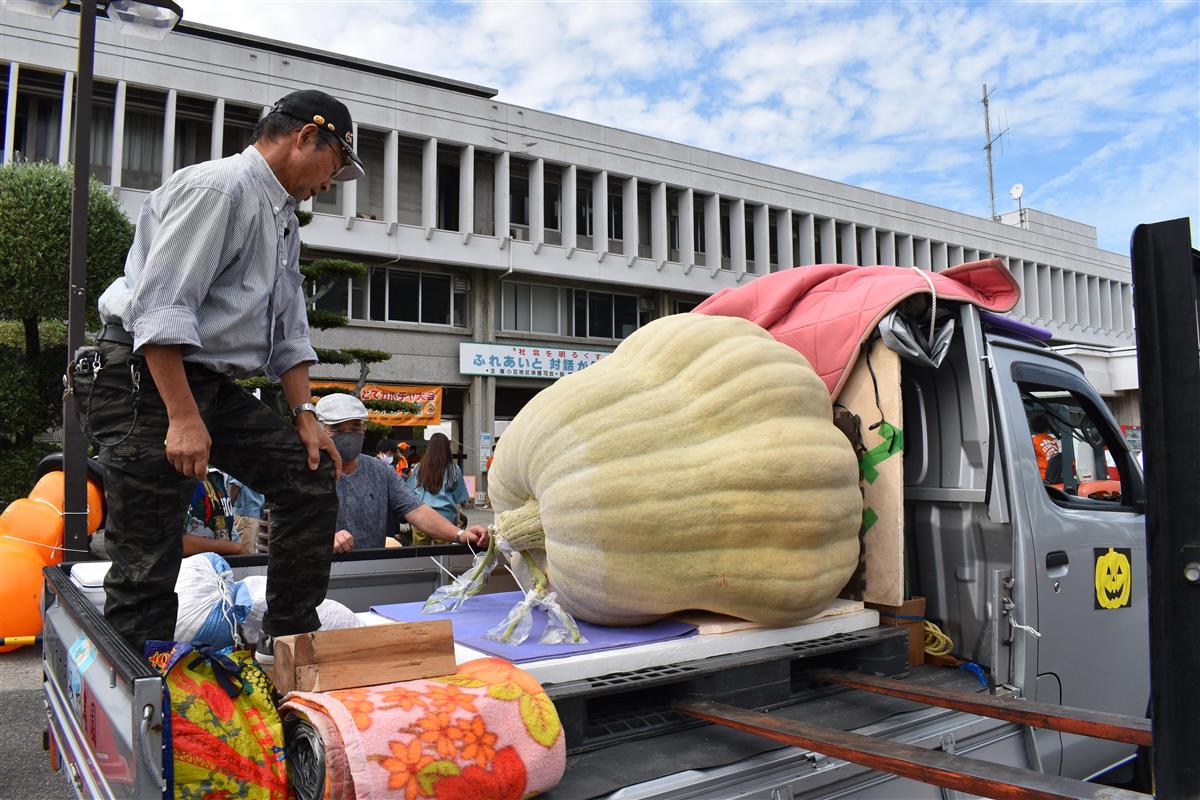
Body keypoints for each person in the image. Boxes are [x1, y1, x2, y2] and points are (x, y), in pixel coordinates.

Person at [86, 88, 365, 662]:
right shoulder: (220, 188)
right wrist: (183, 418)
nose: (329, 184)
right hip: (146, 377)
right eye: (333, 165)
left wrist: (305, 416)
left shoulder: (282, 217)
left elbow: (289, 331)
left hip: (208, 381)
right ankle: (148, 705)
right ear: (305, 136)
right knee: (149, 555)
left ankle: (285, 644)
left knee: (307, 476)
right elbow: (162, 306)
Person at [315, 394, 489, 552]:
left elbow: (416, 510)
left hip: (368, 572)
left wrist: (460, 535)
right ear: (317, 430)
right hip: (314, 574)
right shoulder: (303, 471)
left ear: (364, 430)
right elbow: (289, 526)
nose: (347, 436)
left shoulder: (380, 472)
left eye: (355, 429)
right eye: (337, 430)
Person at [407, 433, 470, 544]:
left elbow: (410, 493)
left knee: (421, 557)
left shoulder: (419, 467)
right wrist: (458, 519)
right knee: (443, 557)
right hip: (445, 520)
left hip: (421, 517)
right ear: (446, 449)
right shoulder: (454, 470)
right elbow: (458, 499)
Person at [182, 468, 243, 557]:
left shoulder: (217, 476)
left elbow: (228, 528)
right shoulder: (184, 477)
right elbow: (179, 544)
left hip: (217, 565)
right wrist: (235, 548)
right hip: (189, 567)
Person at [227, 474, 266, 554]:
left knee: (246, 552)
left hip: (247, 514)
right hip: (246, 514)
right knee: (245, 554)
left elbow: (236, 484)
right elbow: (236, 484)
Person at [1030, 414, 1062, 482]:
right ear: (1047, 428)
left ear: (1032, 428)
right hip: (1055, 476)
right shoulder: (1052, 440)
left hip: (1043, 478)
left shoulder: (1033, 441)